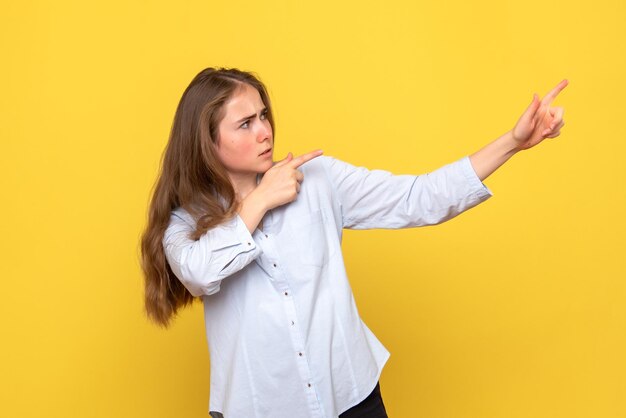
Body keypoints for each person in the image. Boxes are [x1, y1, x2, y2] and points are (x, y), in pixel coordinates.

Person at [140, 67, 567, 418]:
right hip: (259, 409)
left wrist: (513, 143)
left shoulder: (320, 180)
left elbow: (419, 198)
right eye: (246, 123)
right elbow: (200, 273)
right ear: (207, 141)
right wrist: (263, 197)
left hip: (352, 397)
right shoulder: (185, 223)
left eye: (264, 116)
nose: (265, 131)